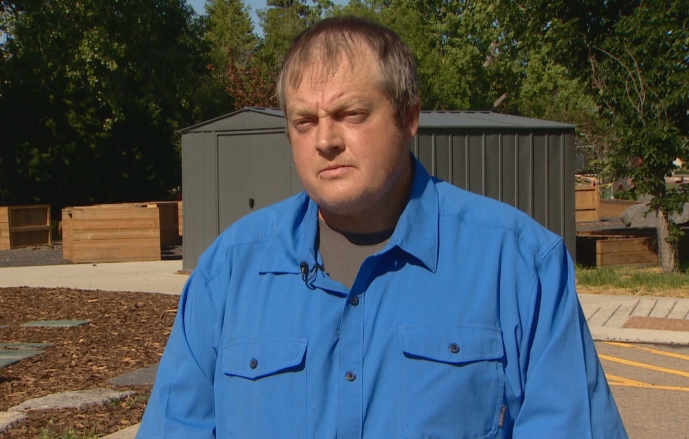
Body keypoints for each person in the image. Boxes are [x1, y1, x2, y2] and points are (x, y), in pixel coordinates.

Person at [137, 16, 627, 438]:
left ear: (409, 116)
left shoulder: (518, 265)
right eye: (304, 122)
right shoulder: (227, 274)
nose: (325, 139)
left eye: (351, 114)